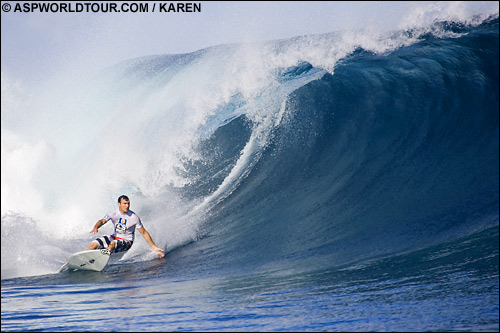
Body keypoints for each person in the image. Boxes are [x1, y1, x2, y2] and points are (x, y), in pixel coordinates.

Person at [88, 195, 165, 258]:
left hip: (127, 241)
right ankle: (85, 260)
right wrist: (96, 227)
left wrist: (154, 247)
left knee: (112, 244)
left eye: (128, 204)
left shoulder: (134, 217)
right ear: (119, 204)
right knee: (93, 244)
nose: (127, 206)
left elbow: (144, 233)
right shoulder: (113, 213)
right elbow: (102, 221)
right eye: (124, 203)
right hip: (115, 237)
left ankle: (100, 260)